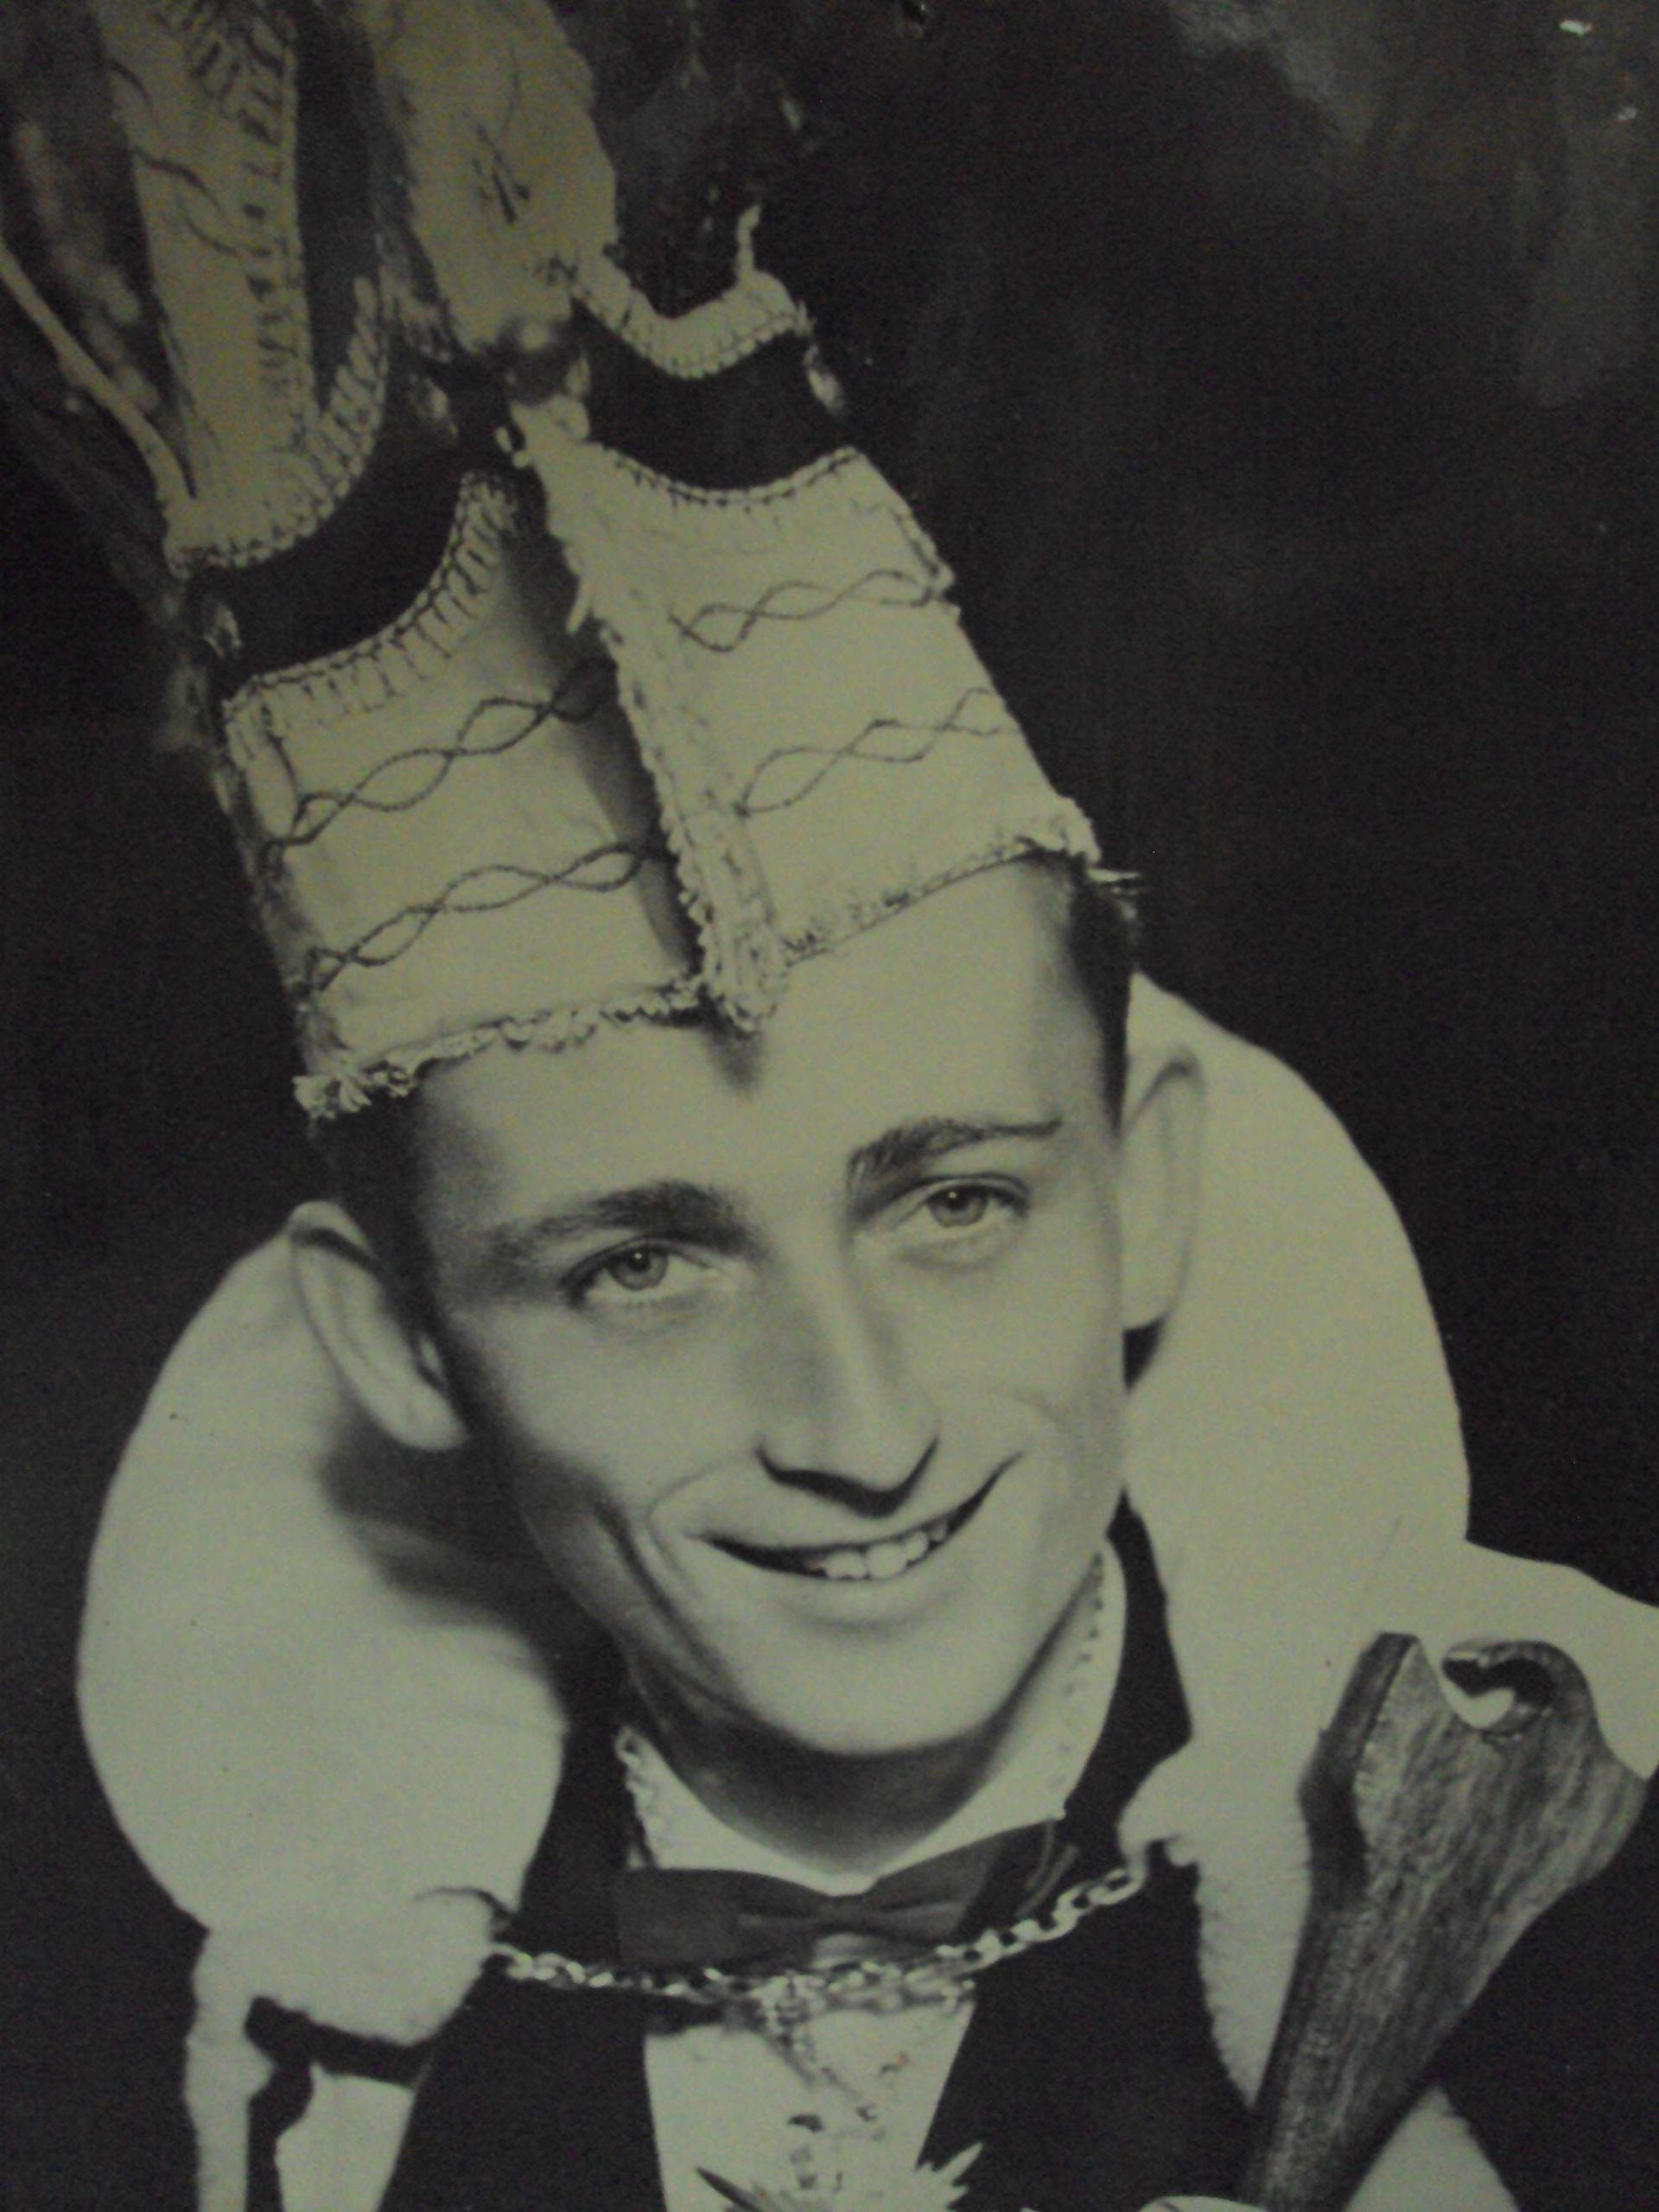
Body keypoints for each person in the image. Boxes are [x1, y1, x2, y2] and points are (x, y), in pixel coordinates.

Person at [6, 5, 1659, 2209]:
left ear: (1153, 1179)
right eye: (641, 1262)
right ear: (393, 1340)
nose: (858, 1424)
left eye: (956, 1201)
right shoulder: (161, 2081)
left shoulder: (1584, 1943)